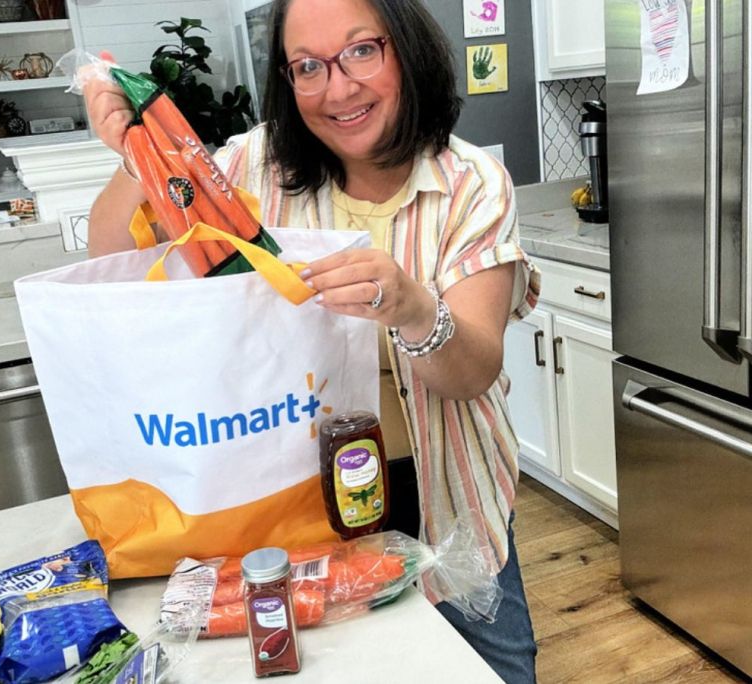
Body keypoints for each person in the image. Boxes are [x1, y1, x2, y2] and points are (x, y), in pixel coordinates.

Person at [83, 0, 541, 680]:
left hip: (444, 489)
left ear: (407, 49)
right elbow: (110, 255)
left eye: (363, 51)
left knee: (495, 667)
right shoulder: (251, 168)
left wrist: (414, 306)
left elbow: (472, 373)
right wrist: (135, 156)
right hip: (294, 502)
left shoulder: (473, 185)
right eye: (308, 66)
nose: (338, 87)